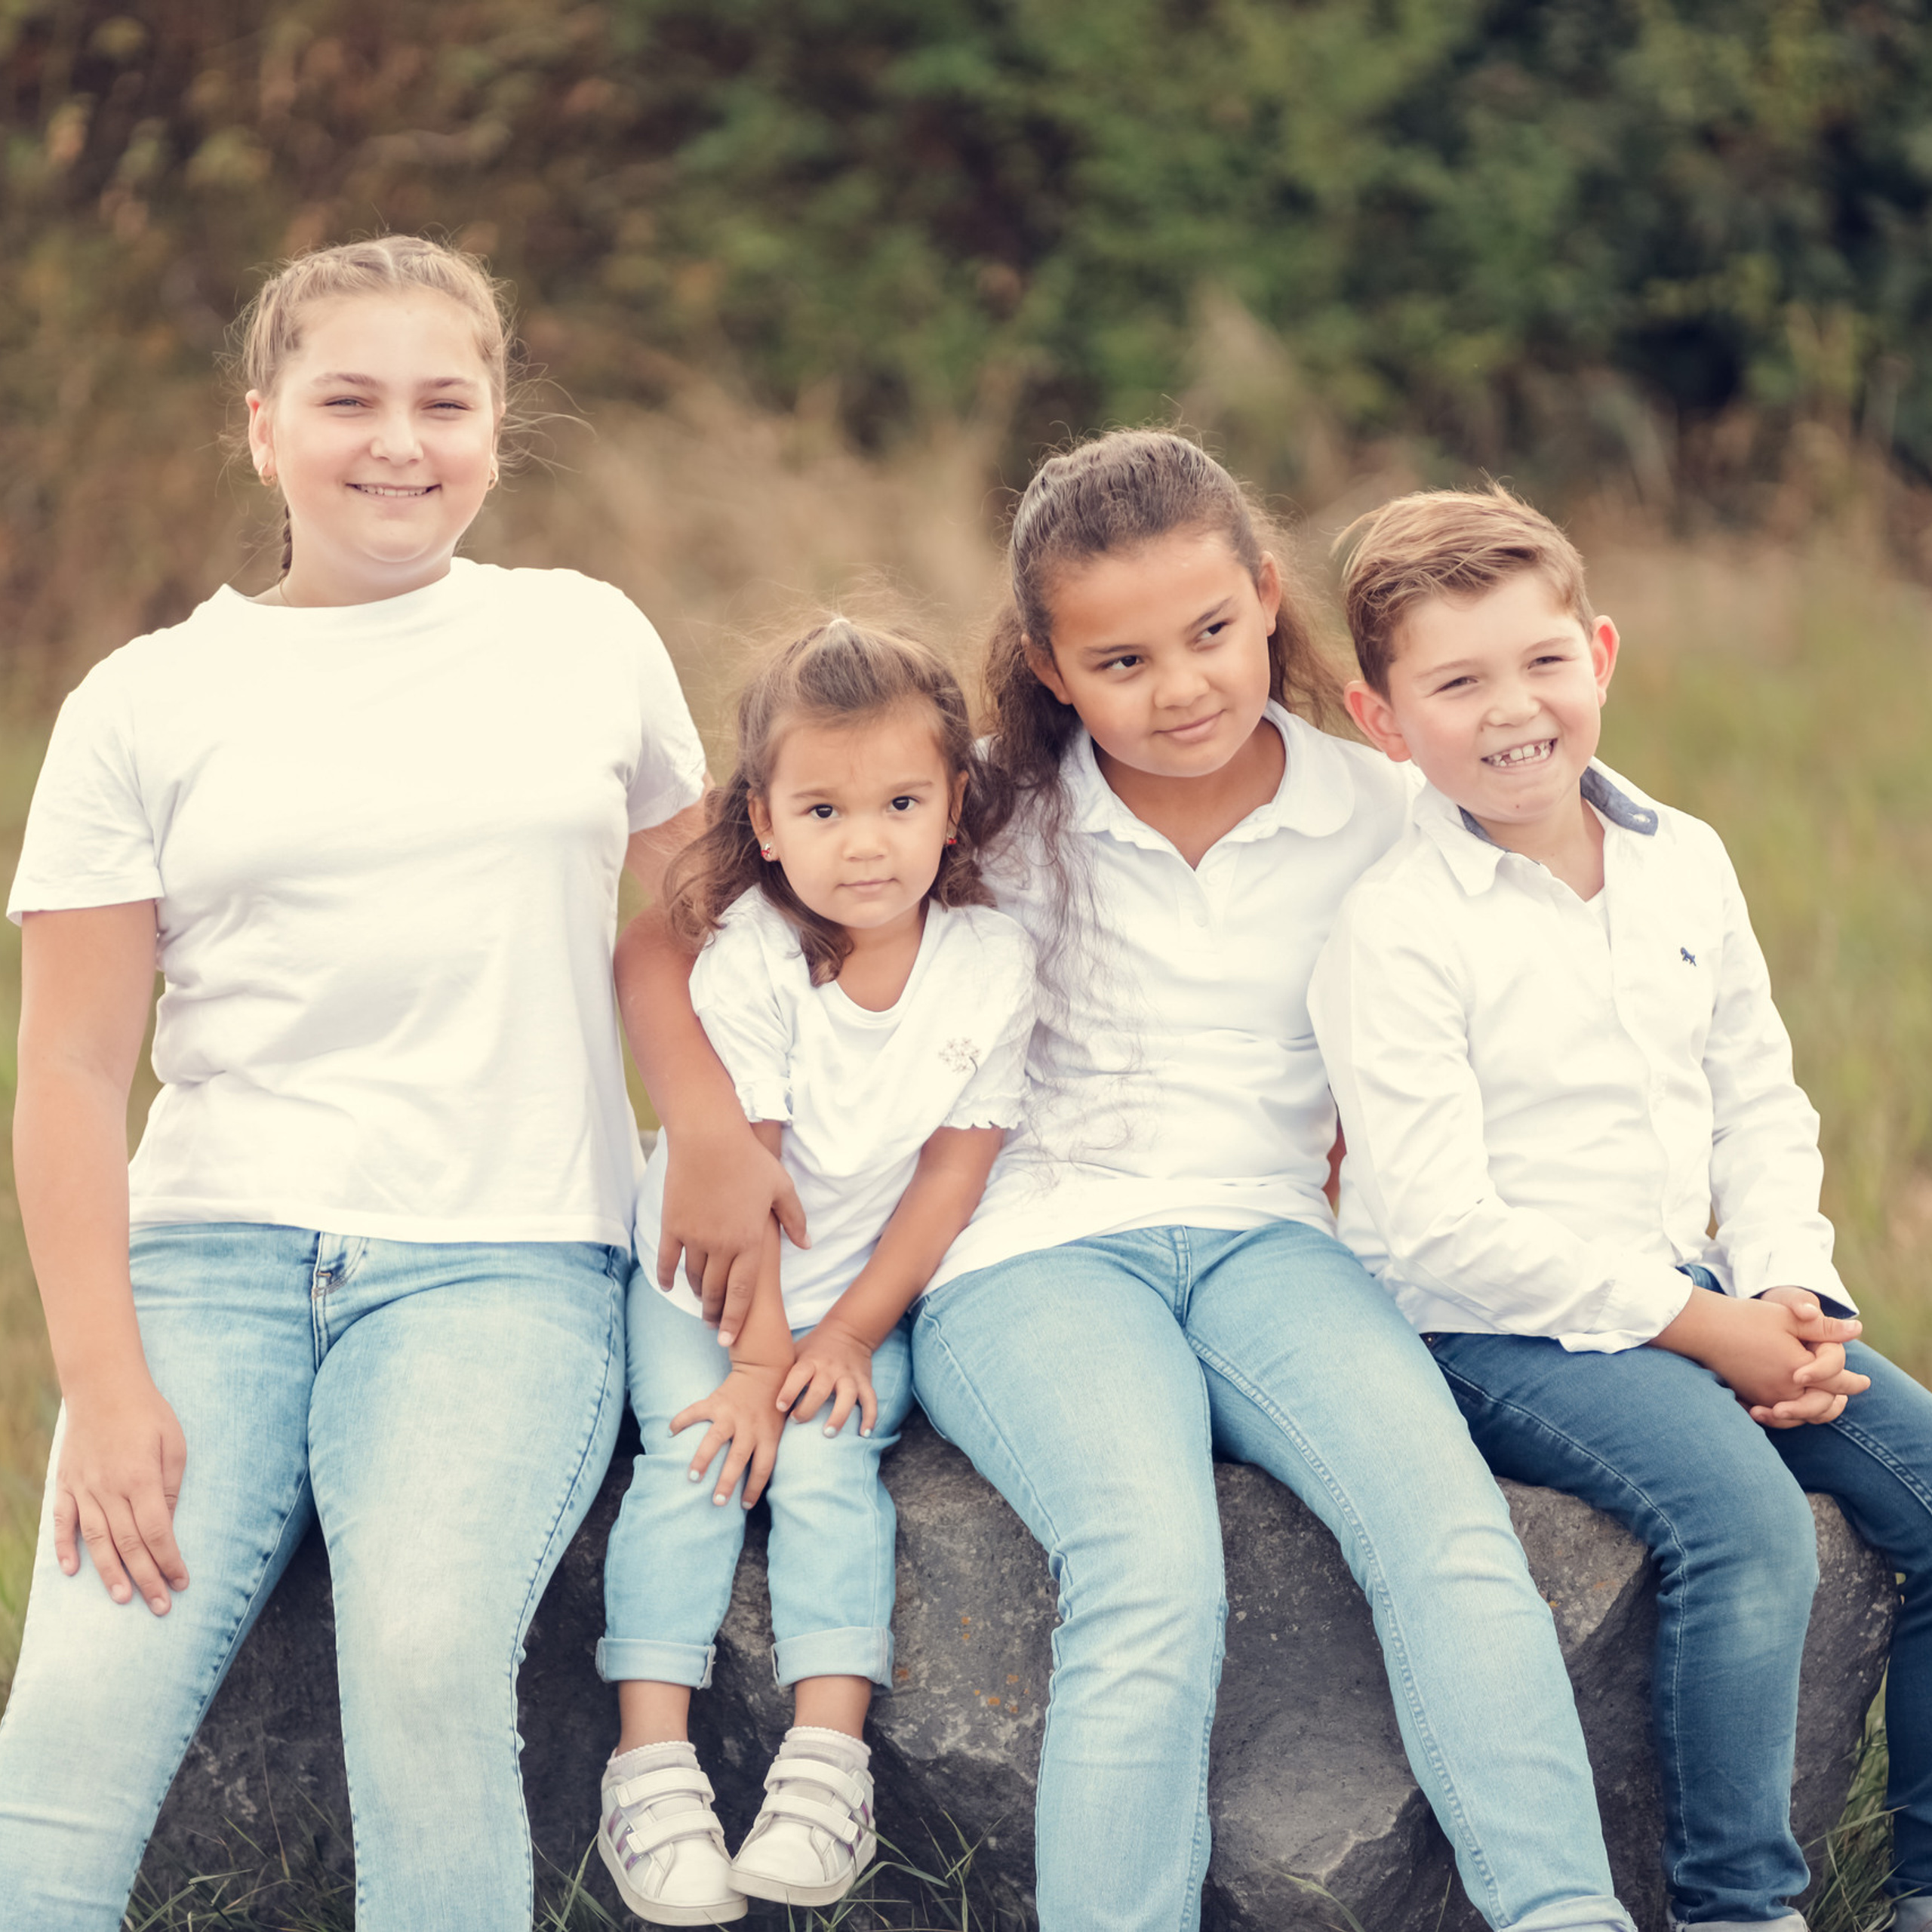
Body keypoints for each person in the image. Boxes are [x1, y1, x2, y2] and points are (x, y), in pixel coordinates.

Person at [623, 430, 1638, 1932]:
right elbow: (673, 917)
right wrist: (703, 1127)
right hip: (1027, 1246)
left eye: (1214, 632)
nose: (1181, 686)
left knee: (1442, 1529)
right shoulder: (969, 803)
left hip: (1271, 1235)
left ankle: (1559, 1905)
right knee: (1148, 1566)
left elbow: (1564, 946)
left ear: (1266, 597)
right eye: (1120, 657)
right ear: (1044, 664)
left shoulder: (1377, 804)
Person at [0, 235, 712, 1932]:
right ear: (264, 430)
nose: (398, 442)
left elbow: (697, 939)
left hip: (506, 1258)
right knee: (71, 1721)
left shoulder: (583, 639)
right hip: (210, 1263)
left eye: (441, 403)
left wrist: (722, 1132)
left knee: (421, 1657)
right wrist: (102, 1383)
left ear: (493, 426)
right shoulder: (145, 699)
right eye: (348, 401)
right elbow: (73, 1065)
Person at [1309, 484, 1932, 1932]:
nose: (1513, 709)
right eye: (1457, 683)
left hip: (1703, 1278)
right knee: (1747, 1531)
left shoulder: (1682, 857)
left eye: (1539, 663)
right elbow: (1448, 1228)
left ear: (1598, 653)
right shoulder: (1399, 928)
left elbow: (1760, 1099)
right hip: (1492, 1329)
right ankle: (1739, 1906)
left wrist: (1793, 1287)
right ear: (1385, 718)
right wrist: (1704, 1330)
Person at [595, 619, 1033, 1925]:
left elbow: (951, 1180)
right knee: (699, 1464)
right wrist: (753, 1366)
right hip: (713, 1285)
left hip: (853, 1295)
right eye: (825, 809)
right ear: (766, 824)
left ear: (956, 806)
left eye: (902, 803)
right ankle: (650, 1766)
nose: (867, 841)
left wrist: (846, 1339)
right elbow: (748, 1190)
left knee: (835, 1466)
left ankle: (825, 1765)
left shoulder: (992, 963)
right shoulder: (754, 957)